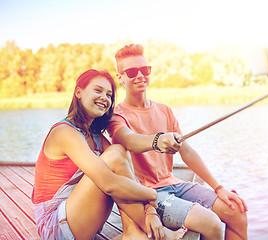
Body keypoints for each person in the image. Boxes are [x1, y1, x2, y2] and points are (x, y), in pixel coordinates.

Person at [107, 44, 248, 240]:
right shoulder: (116, 115)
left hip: (174, 184)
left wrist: (218, 188)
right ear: (120, 77)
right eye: (131, 72)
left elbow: (187, 152)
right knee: (212, 223)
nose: (139, 75)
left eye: (144, 70)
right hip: (149, 195)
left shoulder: (165, 110)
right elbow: (130, 140)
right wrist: (158, 140)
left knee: (236, 211)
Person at [32, 69, 187, 240]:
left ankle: (132, 232)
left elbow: (126, 174)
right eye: (98, 91)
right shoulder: (64, 132)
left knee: (118, 152)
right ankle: (155, 233)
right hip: (54, 225)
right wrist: (152, 196)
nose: (104, 98)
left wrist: (151, 209)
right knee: (114, 156)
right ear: (78, 92)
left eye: (109, 95)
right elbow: (109, 184)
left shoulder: (97, 138)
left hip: (77, 217)